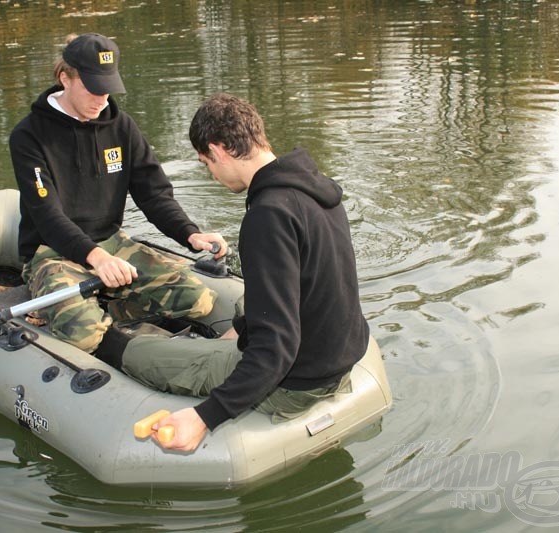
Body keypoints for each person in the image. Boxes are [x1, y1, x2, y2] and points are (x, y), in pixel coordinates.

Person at [117, 93, 373, 452]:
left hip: (295, 383)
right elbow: (304, 290)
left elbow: (277, 348)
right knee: (238, 311)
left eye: (207, 163)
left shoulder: (267, 216)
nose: (212, 174)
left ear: (218, 150)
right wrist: (240, 329)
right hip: (337, 362)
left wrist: (205, 417)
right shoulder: (315, 190)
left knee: (137, 353)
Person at [9, 33, 227, 353]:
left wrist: (190, 234)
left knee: (199, 300)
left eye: (108, 87)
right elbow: (47, 215)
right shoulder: (28, 136)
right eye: (93, 87)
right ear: (64, 78)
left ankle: (106, 313)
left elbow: (154, 194)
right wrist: (96, 258)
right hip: (52, 251)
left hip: (111, 242)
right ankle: (80, 320)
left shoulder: (121, 127)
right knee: (83, 334)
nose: (102, 98)